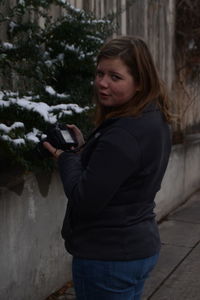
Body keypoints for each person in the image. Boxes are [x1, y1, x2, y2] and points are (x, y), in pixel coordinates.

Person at [44, 36, 172, 300]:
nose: (102, 83)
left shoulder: (124, 134)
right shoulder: (152, 118)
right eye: (100, 73)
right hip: (136, 249)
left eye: (115, 77)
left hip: (108, 258)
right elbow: (121, 173)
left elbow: (84, 199)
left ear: (139, 82)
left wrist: (66, 158)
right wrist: (84, 149)